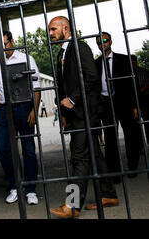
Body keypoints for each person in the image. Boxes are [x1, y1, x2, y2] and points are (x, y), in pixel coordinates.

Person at [48, 16, 117, 218]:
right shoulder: (63, 51)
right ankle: (108, 194)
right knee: (94, 153)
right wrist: (63, 112)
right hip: (75, 113)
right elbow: (63, 84)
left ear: (66, 28)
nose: (50, 33)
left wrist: (73, 99)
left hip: (85, 111)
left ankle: (73, 205)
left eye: (53, 29)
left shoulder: (80, 47)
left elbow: (92, 76)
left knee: (78, 156)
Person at [0, 30, 40, 206]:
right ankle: (14, 186)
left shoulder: (26, 58)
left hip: (24, 107)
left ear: (12, 41)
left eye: (5, 44)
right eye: (0, 45)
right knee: (4, 149)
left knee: (28, 149)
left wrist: (34, 110)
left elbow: (36, 85)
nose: (3, 48)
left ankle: (31, 190)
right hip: (5, 110)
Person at [95, 32, 141, 181]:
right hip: (106, 104)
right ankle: (115, 173)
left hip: (124, 102)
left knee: (130, 136)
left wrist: (135, 105)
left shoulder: (124, 60)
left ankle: (132, 167)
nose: (102, 43)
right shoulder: (96, 63)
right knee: (110, 139)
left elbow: (133, 84)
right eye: (99, 42)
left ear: (111, 41)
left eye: (105, 40)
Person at [131, 54, 149, 146]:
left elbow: (147, 84)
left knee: (147, 122)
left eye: (133, 62)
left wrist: (138, 92)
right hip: (134, 99)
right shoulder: (128, 73)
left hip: (144, 98)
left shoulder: (143, 71)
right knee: (135, 124)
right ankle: (140, 145)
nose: (132, 64)